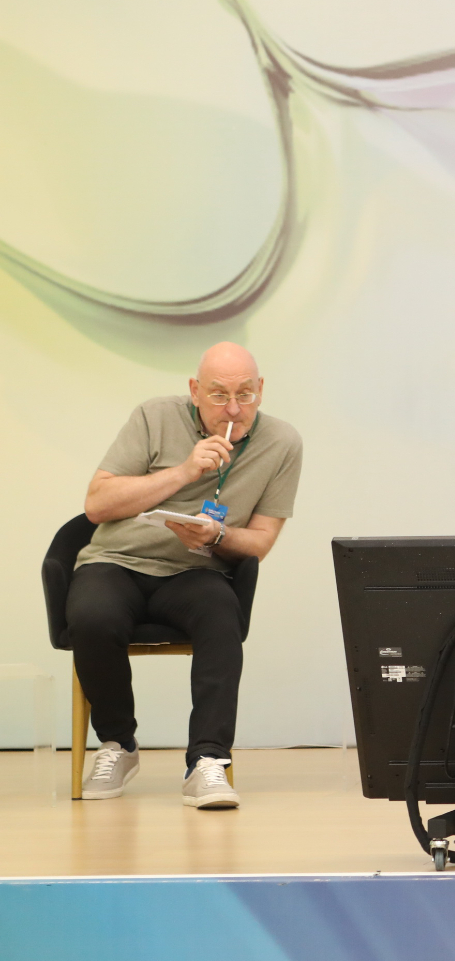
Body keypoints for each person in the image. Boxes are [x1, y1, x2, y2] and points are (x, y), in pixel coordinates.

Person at [68, 342, 303, 808]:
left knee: (221, 616)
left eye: (245, 394)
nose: (233, 409)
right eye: (218, 395)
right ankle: (118, 743)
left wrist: (218, 535)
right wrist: (184, 471)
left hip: (198, 569)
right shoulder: (153, 417)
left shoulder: (282, 443)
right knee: (92, 616)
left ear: (261, 390)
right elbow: (97, 503)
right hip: (118, 560)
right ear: (195, 391)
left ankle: (208, 761)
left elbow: (260, 541)